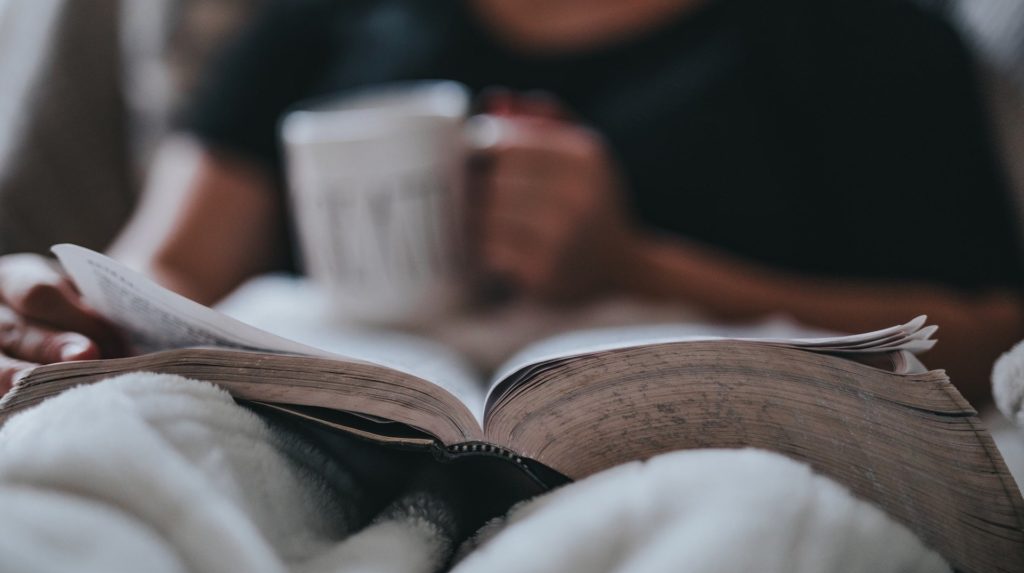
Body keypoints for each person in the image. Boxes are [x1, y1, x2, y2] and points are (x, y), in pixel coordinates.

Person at [0, 0, 1021, 403]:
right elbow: (160, 267)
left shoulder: (857, 31)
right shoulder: (314, 21)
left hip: (686, 438)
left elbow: (989, 339)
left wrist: (634, 266)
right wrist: (44, 303)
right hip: (328, 422)